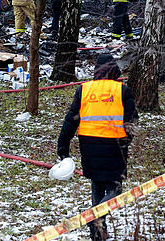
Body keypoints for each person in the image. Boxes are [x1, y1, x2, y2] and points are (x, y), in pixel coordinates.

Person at [57, 53, 138, 241]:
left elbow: (70, 120)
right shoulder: (121, 90)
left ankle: (97, 232)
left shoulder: (84, 89)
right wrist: (127, 141)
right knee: (115, 189)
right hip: (115, 146)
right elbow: (132, 121)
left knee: (97, 185)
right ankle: (95, 219)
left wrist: (63, 147)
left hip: (88, 145)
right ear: (114, 69)